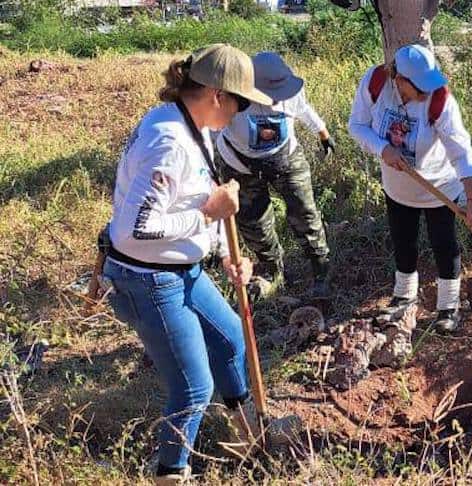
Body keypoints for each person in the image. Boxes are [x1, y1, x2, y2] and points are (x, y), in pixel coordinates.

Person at [100, 44, 281, 485]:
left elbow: (201, 194)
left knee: (232, 339)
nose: (240, 114)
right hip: (149, 279)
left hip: (185, 270)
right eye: (239, 102)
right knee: (194, 387)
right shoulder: (168, 141)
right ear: (218, 94)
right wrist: (206, 216)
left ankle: (246, 433)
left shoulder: (192, 127)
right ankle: (170, 473)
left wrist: (222, 251)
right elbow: (130, 230)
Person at [348, 44, 472, 333]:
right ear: (398, 79)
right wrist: (383, 148)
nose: (425, 93)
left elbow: (461, 151)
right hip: (398, 188)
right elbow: (357, 125)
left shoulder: (440, 100)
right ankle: (404, 297)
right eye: (418, 87)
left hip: (439, 187)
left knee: (444, 245)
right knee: (403, 241)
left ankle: (448, 306)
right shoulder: (375, 83)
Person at [217, 51, 335, 302]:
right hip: (240, 166)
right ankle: (272, 272)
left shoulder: (291, 92)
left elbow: (304, 110)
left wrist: (323, 133)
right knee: (254, 222)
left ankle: (321, 269)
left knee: (305, 213)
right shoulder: (232, 98)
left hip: (286, 158)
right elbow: (210, 128)